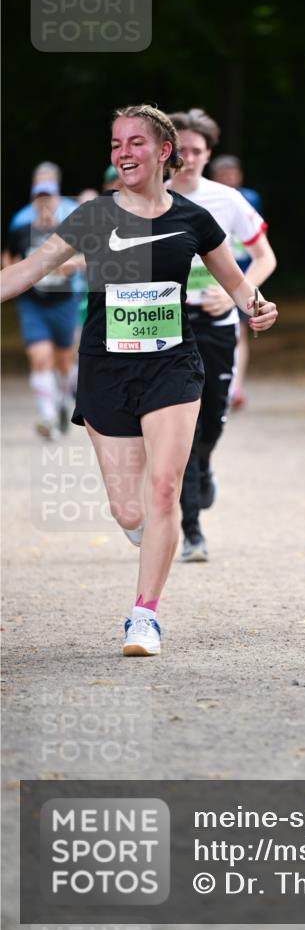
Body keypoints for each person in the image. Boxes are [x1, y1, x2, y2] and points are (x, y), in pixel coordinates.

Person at [0, 104, 278, 657]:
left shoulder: (195, 219)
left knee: (164, 489)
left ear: (163, 152)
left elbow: (238, 283)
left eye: (134, 143)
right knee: (130, 511)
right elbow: (29, 270)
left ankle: (144, 617)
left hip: (172, 364)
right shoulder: (93, 216)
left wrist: (258, 306)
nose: (123, 152)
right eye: (116, 144)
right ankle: (148, 529)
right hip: (105, 368)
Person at [169, 110, 277, 562]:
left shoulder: (227, 199)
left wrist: (236, 294)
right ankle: (192, 531)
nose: (189, 158)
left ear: (208, 154)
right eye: (182, 150)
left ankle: (204, 466)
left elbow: (265, 256)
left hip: (217, 325)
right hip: (169, 326)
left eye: (197, 150)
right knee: (183, 428)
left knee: (212, 419)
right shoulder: (152, 199)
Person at [6, 182, 82, 439]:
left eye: (49, 198)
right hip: (32, 305)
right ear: (33, 202)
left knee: (64, 362)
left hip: (63, 303)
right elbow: (8, 258)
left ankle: (61, 404)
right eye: (40, 198)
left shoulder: (67, 231)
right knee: (40, 357)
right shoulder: (21, 232)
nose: (45, 203)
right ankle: (47, 418)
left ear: (57, 201)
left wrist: (70, 265)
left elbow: (88, 256)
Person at [210, 153, 264, 409]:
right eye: (223, 175)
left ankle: (235, 387)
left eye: (232, 174)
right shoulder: (206, 199)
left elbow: (259, 241)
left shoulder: (250, 198)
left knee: (241, 330)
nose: (229, 179)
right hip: (212, 276)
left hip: (244, 275)